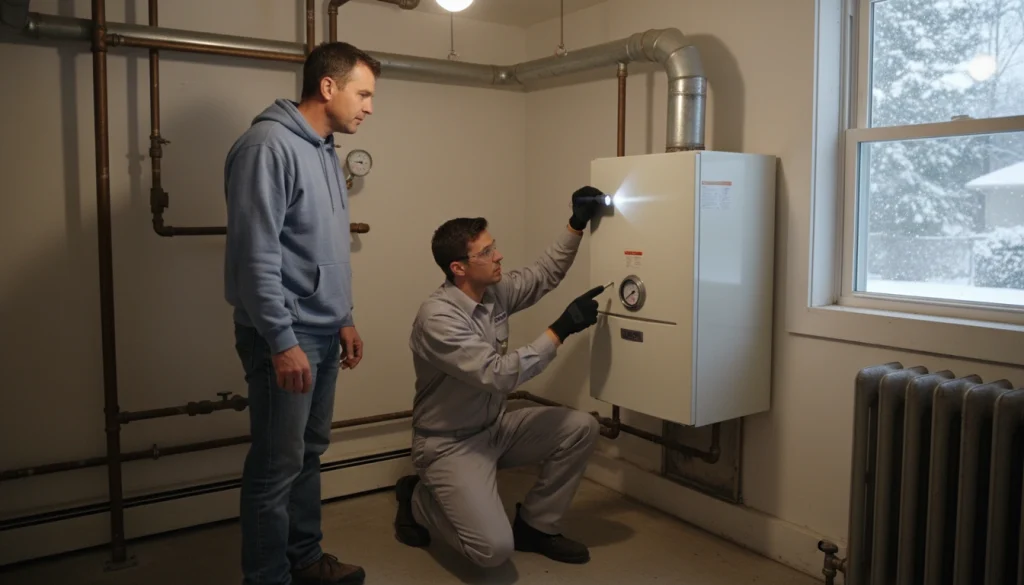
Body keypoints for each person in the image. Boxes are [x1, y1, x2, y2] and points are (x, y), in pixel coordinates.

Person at [223, 41, 379, 585]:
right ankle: (267, 578)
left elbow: (319, 246)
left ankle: (305, 561)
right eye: (363, 93)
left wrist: (344, 315)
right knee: (275, 467)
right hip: (285, 337)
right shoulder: (268, 146)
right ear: (329, 87)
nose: (369, 107)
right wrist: (281, 340)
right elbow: (255, 256)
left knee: (308, 454)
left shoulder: (323, 149)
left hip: (322, 330)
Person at [393, 187, 608, 568]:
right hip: (449, 444)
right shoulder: (438, 318)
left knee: (581, 427)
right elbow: (497, 375)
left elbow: (544, 274)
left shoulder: (493, 293)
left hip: (494, 429)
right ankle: (417, 499)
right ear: (458, 268)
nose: (498, 256)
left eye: (494, 247)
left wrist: (575, 225)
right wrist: (561, 329)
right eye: (487, 252)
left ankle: (537, 525)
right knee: (492, 551)